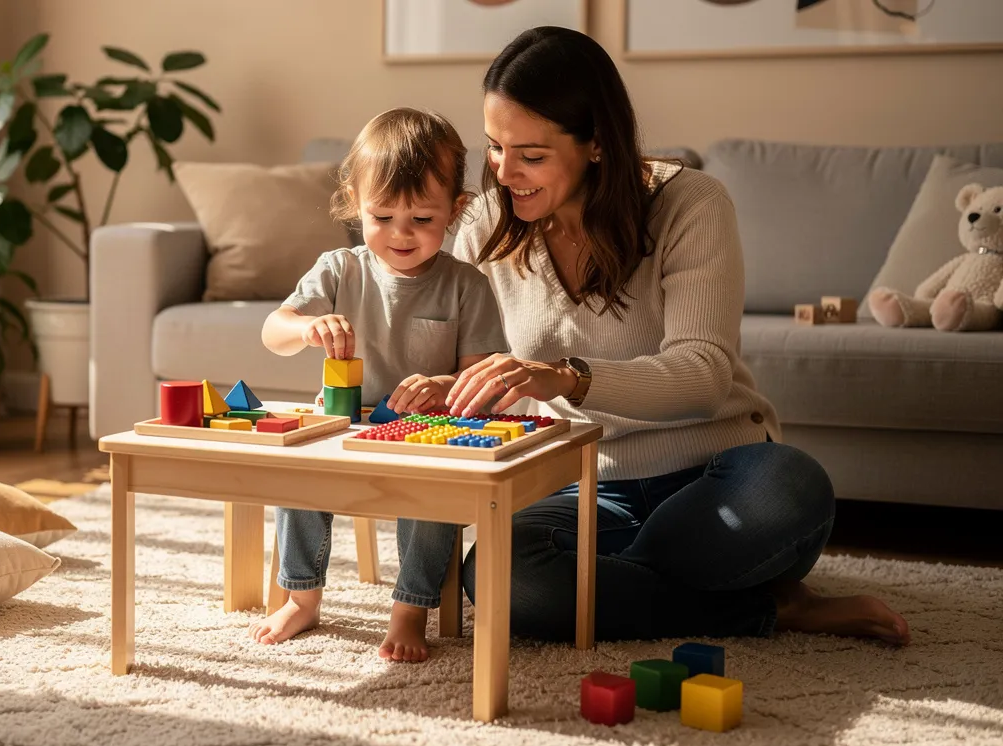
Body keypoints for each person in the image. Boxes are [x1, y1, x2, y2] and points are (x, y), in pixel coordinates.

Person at [440, 27, 909, 646]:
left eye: (531, 155)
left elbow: (704, 373)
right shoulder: (486, 225)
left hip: (714, 470)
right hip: (582, 486)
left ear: (597, 143)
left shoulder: (691, 204)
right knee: (502, 575)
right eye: (495, 147)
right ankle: (764, 607)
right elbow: (469, 366)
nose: (504, 173)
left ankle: (613, 582)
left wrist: (569, 378)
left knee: (788, 491)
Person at [251, 107, 510, 661]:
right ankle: (301, 597)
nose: (400, 233)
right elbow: (274, 331)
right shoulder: (339, 268)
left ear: (456, 210)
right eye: (383, 216)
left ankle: (410, 607)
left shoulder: (466, 285)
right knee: (298, 470)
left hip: (423, 433)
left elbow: (480, 377)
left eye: (421, 218)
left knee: (434, 490)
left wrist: (444, 386)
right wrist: (305, 327)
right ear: (355, 201)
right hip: (342, 425)